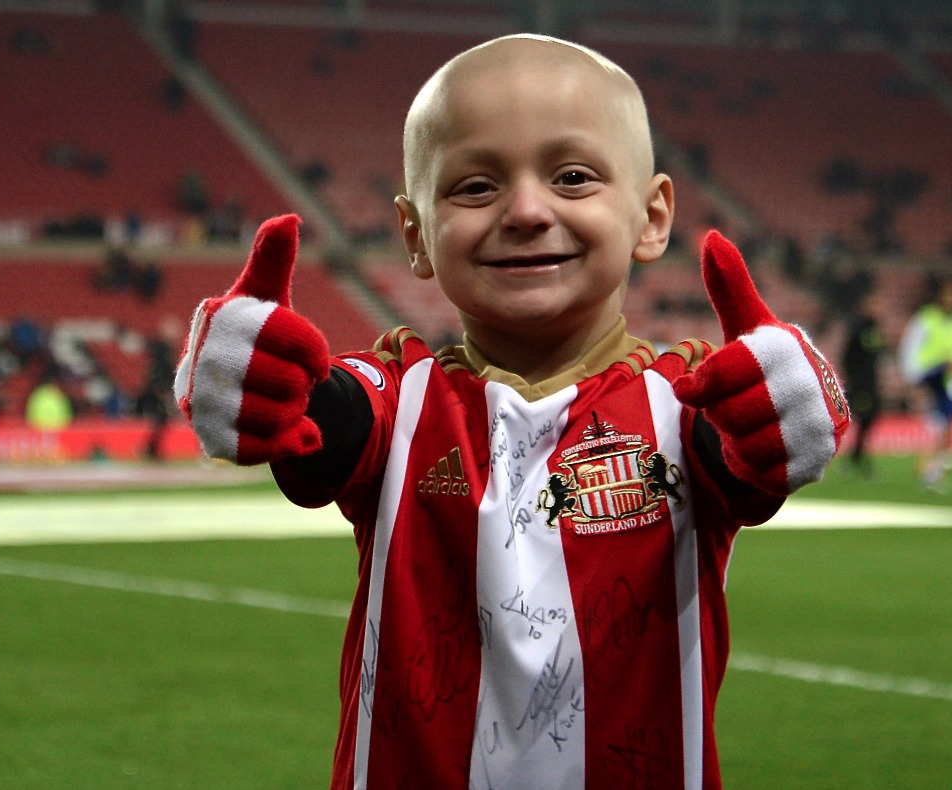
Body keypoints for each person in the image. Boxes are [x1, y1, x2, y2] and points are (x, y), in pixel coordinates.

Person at [174, 35, 848, 789]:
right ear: (415, 235)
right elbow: (321, 423)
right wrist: (254, 377)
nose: (526, 210)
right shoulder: (399, 398)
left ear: (652, 215)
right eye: (474, 187)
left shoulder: (689, 405)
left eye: (572, 177)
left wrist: (787, 405)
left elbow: (750, 454)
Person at [899, 277, 952, 492]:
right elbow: (909, 347)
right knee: (940, 425)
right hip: (928, 375)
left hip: (948, 380)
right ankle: (930, 470)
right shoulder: (926, 318)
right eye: (950, 295)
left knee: (948, 425)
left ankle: (932, 471)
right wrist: (912, 378)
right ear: (941, 297)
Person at [841, 292, 888, 476]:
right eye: (873, 305)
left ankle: (856, 455)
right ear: (865, 307)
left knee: (870, 418)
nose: (877, 309)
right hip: (860, 385)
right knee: (863, 417)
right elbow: (847, 356)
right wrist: (854, 379)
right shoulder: (857, 329)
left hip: (872, 383)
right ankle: (854, 457)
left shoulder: (875, 329)